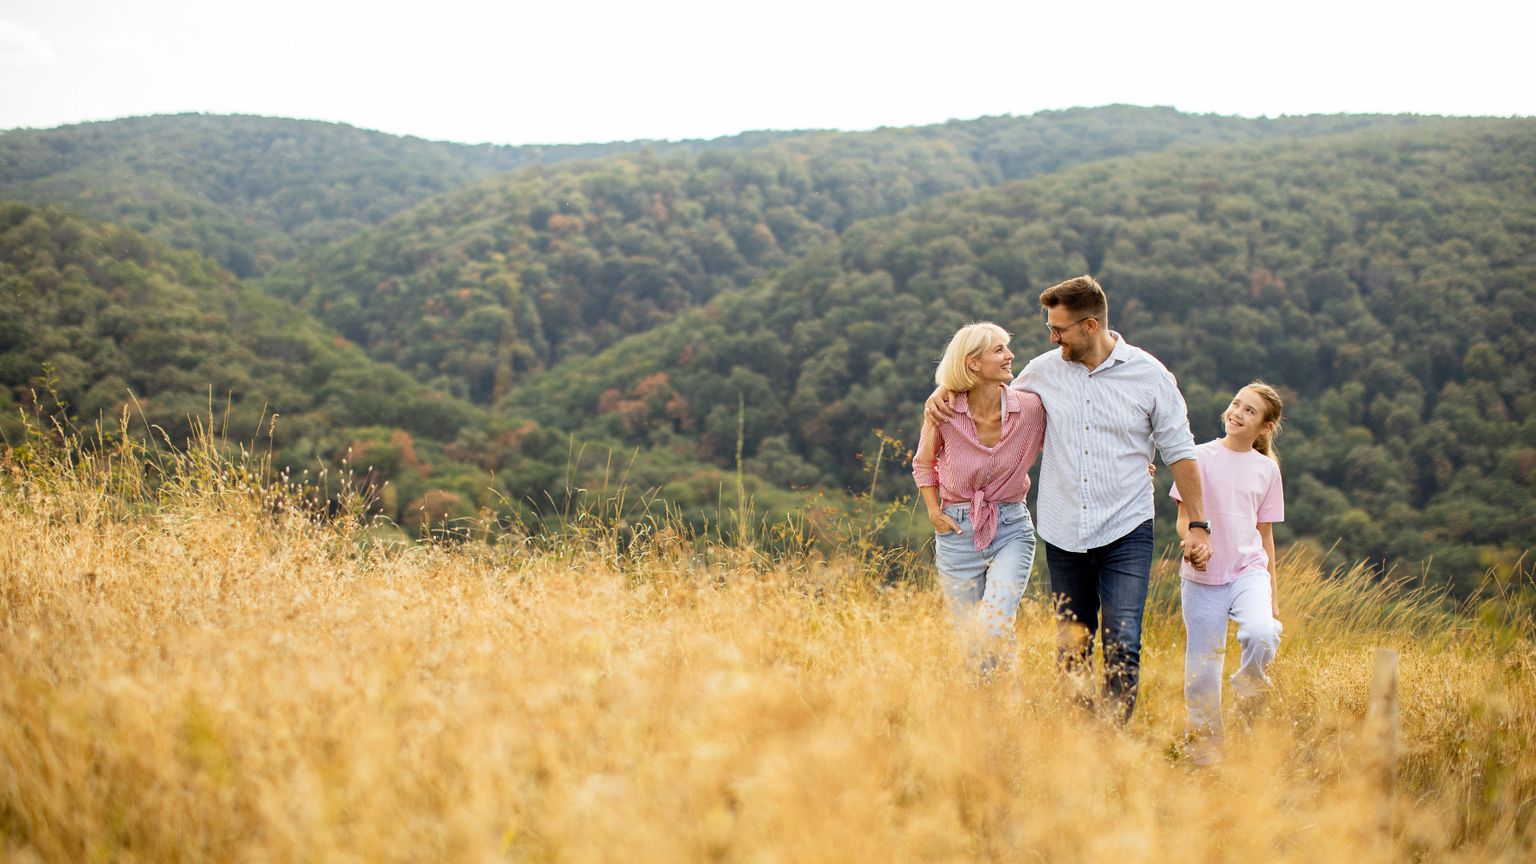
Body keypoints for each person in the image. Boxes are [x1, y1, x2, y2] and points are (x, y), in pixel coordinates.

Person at [928, 275, 1209, 723]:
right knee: (1072, 644)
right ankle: (1076, 738)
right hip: (1063, 530)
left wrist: (1198, 524)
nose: (1052, 338)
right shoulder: (1042, 371)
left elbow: (1180, 450)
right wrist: (943, 392)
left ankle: (1110, 737)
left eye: (1058, 329)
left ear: (1090, 326)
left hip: (1127, 526)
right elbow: (987, 394)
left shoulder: (1151, 376)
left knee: (1123, 640)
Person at [912, 322, 1046, 679]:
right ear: (972, 362)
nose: (1010, 355)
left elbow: (1071, 442)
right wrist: (933, 511)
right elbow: (923, 463)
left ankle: (1007, 700)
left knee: (993, 623)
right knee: (970, 640)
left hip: (1012, 528)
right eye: (999, 349)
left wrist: (1130, 462)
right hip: (956, 531)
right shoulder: (943, 411)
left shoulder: (1031, 409)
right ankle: (992, 705)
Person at [1171, 382, 1285, 760]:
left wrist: (1272, 597)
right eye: (1237, 404)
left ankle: (1249, 688)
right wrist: (1193, 544)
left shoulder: (1267, 470)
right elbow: (1184, 518)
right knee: (1202, 671)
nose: (1237, 413)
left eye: (1250, 411)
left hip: (1248, 570)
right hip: (1203, 577)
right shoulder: (1198, 457)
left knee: (1262, 632)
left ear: (1265, 426)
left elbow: (1265, 534)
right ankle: (1204, 755)